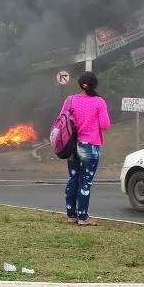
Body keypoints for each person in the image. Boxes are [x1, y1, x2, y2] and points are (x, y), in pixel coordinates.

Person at [62, 71, 111, 226]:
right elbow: (105, 125)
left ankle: (71, 215)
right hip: (89, 146)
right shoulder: (99, 102)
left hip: (72, 145)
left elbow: (62, 121)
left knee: (73, 179)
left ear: (80, 84)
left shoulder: (70, 100)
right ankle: (83, 217)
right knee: (85, 182)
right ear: (94, 85)